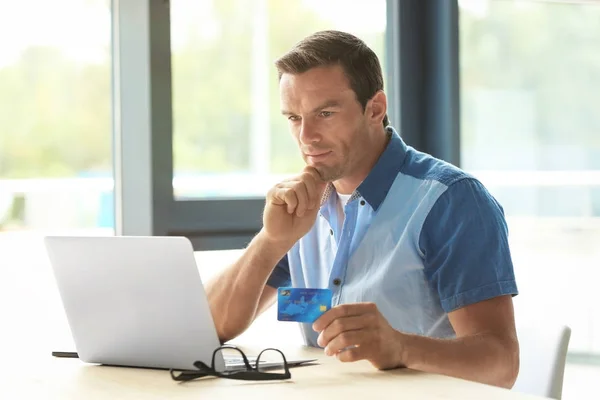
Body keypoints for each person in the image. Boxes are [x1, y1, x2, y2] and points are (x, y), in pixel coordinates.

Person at [205, 30, 519, 388]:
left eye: (324, 113)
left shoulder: (452, 201)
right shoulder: (302, 205)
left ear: (375, 109)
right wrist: (270, 241)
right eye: (294, 117)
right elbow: (210, 326)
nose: (306, 137)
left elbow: (501, 364)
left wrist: (401, 347)